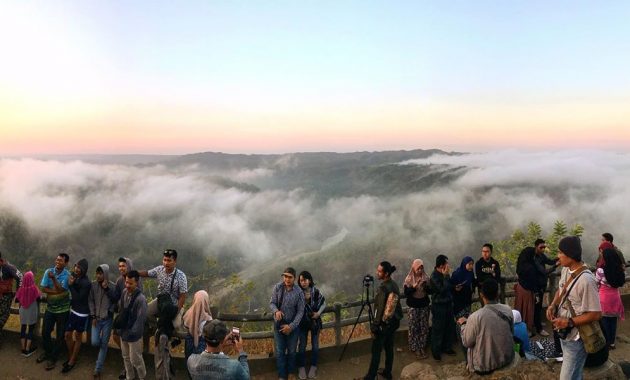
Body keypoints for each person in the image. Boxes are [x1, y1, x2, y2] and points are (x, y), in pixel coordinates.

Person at [546, 236, 602, 380]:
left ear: (570, 255)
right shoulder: (566, 269)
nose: (557, 256)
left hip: (577, 338)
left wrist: (569, 322)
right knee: (575, 374)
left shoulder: (586, 280)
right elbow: (562, 290)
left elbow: (596, 314)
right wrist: (553, 305)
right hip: (565, 334)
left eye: (560, 252)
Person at [457, 278, 515, 375]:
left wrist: (463, 324)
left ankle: (469, 364)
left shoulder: (475, 317)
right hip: (507, 358)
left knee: (461, 328)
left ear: (481, 295)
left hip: (484, 366)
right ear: (498, 293)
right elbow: (511, 332)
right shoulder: (507, 310)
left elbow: (467, 342)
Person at [363, 261, 403, 380]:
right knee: (389, 347)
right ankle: (387, 372)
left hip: (383, 325)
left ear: (386, 274)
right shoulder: (394, 285)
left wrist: (375, 326)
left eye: (380, 271)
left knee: (376, 351)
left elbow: (379, 310)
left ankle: (370, 376)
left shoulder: (383, 288)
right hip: (393, 323)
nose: (377, 273)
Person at [139, 249, 188, 332]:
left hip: (174, 304)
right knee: (145, 313)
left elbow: (182, 296)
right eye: (164, 260)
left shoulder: (181, 276)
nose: (166, 263)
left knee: (176, 325)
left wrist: (176, 311)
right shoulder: (159, 270)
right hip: (161, 300)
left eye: (169, 260)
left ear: (175, 261)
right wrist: (133, 273)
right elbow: (147, 273)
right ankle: (157, 327)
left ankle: (174, 336)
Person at [270, 267, 305, 380]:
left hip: (292, 327)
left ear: (294, 278)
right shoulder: (278, 288)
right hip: (278, 326)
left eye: (290, 277)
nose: (287, 279)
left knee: (292, 351)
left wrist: (291, 326)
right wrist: (276, 311)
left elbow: (300, 311)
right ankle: (281, 375)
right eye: (285, 276)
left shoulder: (299, 292)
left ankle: (290, 373)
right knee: (280, 352)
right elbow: (272, 303)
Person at [38, 252, 71, 371]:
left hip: (63, 310)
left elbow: (62, 289)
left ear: (66, 263)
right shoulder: (48, 271)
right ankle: (48, 352)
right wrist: (57, 292)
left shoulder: (67, 275)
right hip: (50, 309)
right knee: (45, 332)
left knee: (60, 335)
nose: (57, 262)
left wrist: (53, 280)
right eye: (57, 260)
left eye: (60, 260)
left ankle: (53, 357)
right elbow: (43, 288)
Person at [112, 256, 140, 380]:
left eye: (123, 265)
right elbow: (116, 297)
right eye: (120, 266)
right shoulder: (119, 281)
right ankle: (127, 365)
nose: (121, 268)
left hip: (134, 316)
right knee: (116, 336)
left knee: (131, 342)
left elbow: (140, 297)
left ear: (129, 266)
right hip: (123, 314)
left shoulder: (136, 279)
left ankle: (134, 370)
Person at [63, 258, 91, 373]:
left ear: (84, 270)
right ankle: (71, 357)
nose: (76, 269)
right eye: (76, 266)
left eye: (79, 268)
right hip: (73, 310)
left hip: (82, 313)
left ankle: (72, 360)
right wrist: (71, 283)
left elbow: (78, 298)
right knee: (67, 335)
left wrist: (71, 286)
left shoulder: (86, 282)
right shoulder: (75, 276)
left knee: (78, 336)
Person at [296, 271, 325, 380]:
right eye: (301, 280)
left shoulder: (315, 291)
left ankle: (313, 366)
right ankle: (301, 367)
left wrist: (318, 313)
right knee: (302, 346)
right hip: (302, 323)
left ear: (310, 280)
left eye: (304, 280)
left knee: (315, 345)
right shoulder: (297, 293)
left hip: (314, 322)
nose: (302, 282)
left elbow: (323, 303)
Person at [119, 270, 148, 380]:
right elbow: (121, 309)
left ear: (137, 283)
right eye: (126, 282)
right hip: (124, 331)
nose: (127, 285)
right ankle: (129, 376)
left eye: (130, 283)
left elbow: (141, 319)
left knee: (135, 359)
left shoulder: (141, 299)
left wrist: (132, 333)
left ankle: (142, 377)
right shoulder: (124, 293)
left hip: (134, 335)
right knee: (126, 357)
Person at [89, 264, 116, 379]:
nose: (98, 276)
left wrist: (106, 289)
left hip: (107, 320)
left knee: (104, 344)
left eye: (101, 273)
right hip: (96, 319)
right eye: (97, 273)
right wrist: (93, 316)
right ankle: (103, 349)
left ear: (105, 274)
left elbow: (115, 300)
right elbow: (90, 301)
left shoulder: (112, 286)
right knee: (95, 342)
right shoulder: (93, 285)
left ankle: (98, 368)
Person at [596, 248, 625, 349]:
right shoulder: (619, 269)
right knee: (613, 321)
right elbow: (621, 282)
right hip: (615, 297)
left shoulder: (601, 270)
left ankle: (606, 342)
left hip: (604, 298)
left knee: (604, 321)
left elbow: (596, 282)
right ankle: (612, 343)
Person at [429, 254, 456, 361]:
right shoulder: (434, 276)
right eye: (446, 264)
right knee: (438, 328)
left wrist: (454, 287)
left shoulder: (445, 274)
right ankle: (436, 351)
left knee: (449, 327)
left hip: (448, 304)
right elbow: (442, 290)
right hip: (439, 305)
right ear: (441, 265)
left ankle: (447, 347)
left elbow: (448, 287)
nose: (447, 266)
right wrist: (445, 276)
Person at [403, 259, 430, 359]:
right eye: (418, 268)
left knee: (423, 327)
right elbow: (406, 293)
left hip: (424, 305)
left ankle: (422, 346)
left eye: (421, 268)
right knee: (413, 327)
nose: (420, 270)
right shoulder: (409, 279)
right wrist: (413, 287)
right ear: (413, 268)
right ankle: (415, 347)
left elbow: (430, 291)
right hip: (413, 306)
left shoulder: (426, 278)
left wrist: (425, 287)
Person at [532, 239, 558, 337]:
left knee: (538, 306)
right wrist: (556, 265)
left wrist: (558, 258)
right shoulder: (534, 258)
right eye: (541, 247)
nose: (543, 249)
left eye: (544, 247)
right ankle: (539, 329)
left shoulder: (542, 256)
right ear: (536, 247)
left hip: (542, 285)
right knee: (537, 306)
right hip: (536, 286)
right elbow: (544, 271)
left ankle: (536, 322)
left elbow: (550, 261)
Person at [450, 256, 475, 357]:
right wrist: (456, 288)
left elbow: (472, 282)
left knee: (467, 320)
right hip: (458, 301)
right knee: (459, 322)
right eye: (469, 264)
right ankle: (460, 340)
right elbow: (450, 286)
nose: (471, 266)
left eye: (472, 264)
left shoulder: (470, 273)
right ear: (464, 264)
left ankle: (467, 340)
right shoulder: (456, 274)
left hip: (467, 300)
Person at [514, 246, 538, 336]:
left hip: (520, 288)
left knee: (520, 307)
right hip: (527, 291)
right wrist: (536, 292)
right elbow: (533, 281)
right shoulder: (530, 267)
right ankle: (527, 330)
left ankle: (517, 329)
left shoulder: (520, 264)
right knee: (527, 310)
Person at [183, 290, 213, 362]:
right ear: (206, 301)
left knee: (189, 364)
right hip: (202, 346)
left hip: (189, 343)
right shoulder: (208, 319)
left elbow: (185, 325)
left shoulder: (188, 313)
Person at [0, 250, 22, 348]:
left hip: (5, 296)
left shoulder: (7, 267)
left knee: (4, 314)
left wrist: (18, 292)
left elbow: (19, 277)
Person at [15, 270, 40, 356]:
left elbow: (17, 299)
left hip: (23, 311)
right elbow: (38, 298)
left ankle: (22, 349)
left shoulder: (21, 288)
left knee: (23, 327)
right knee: (31, 329)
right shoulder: (34, 288)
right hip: (32, 310)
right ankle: (27, 349)